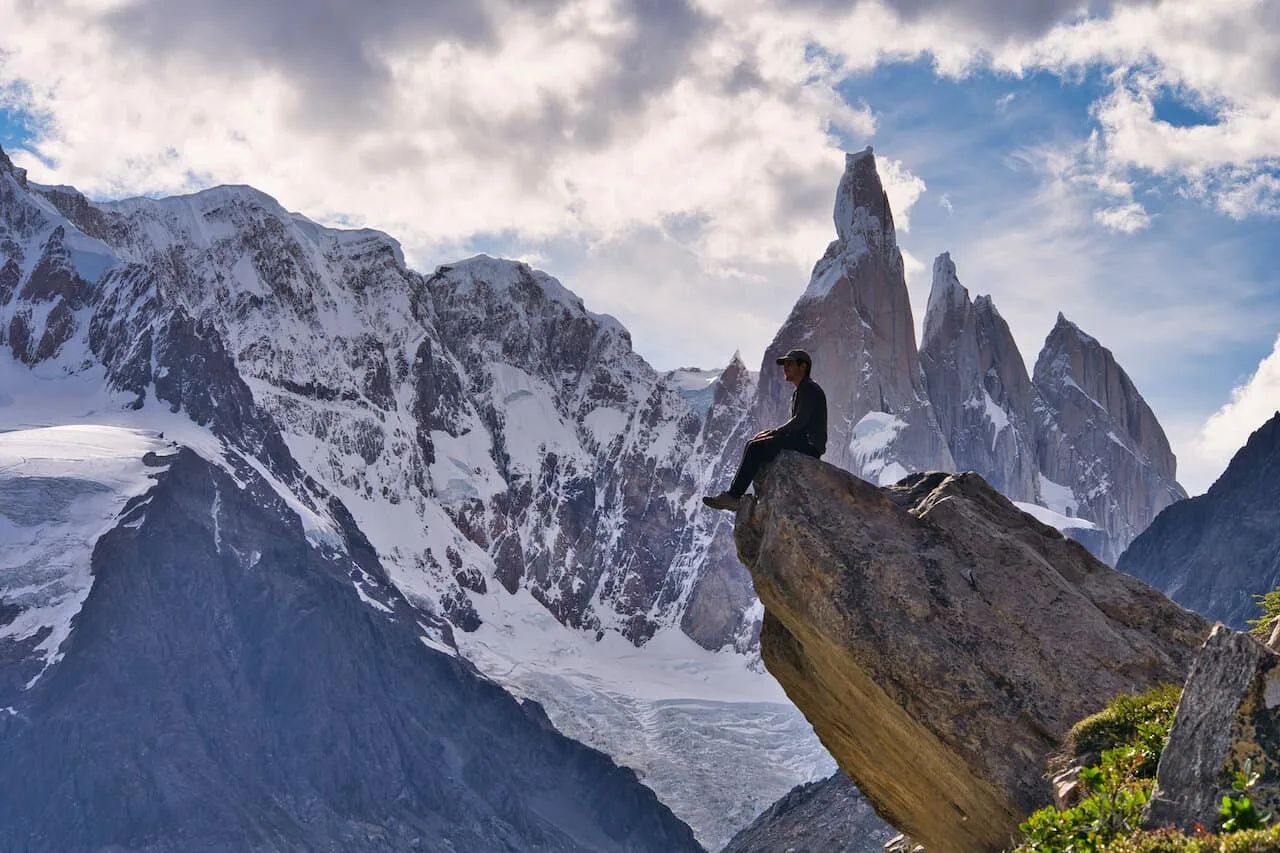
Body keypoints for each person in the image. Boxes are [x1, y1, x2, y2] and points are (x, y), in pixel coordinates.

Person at [703, 348, 827, 511]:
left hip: (809, 445)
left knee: (756, 447)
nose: (785, 367)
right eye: (785, 364)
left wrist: (773, 433)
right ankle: (734, 494)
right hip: (803, 441)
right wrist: (773, 435)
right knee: (753, 444)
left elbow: (799, 422)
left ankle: (734, 496)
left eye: (790, 363)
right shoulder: (801, 391)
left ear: (803, 367)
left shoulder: (810, 388)